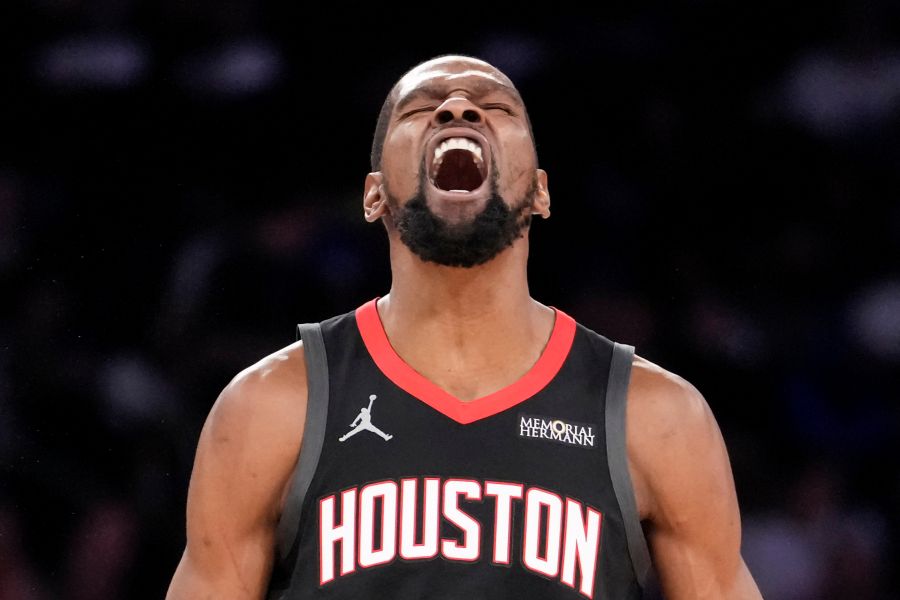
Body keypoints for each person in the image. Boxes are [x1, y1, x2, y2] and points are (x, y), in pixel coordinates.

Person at [166, 53, 763, 600]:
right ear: (374, 196)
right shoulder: (269, 406)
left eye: (494, 106)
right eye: (423, 109)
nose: (458, 107)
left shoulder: (656, 416)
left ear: (541, 192)